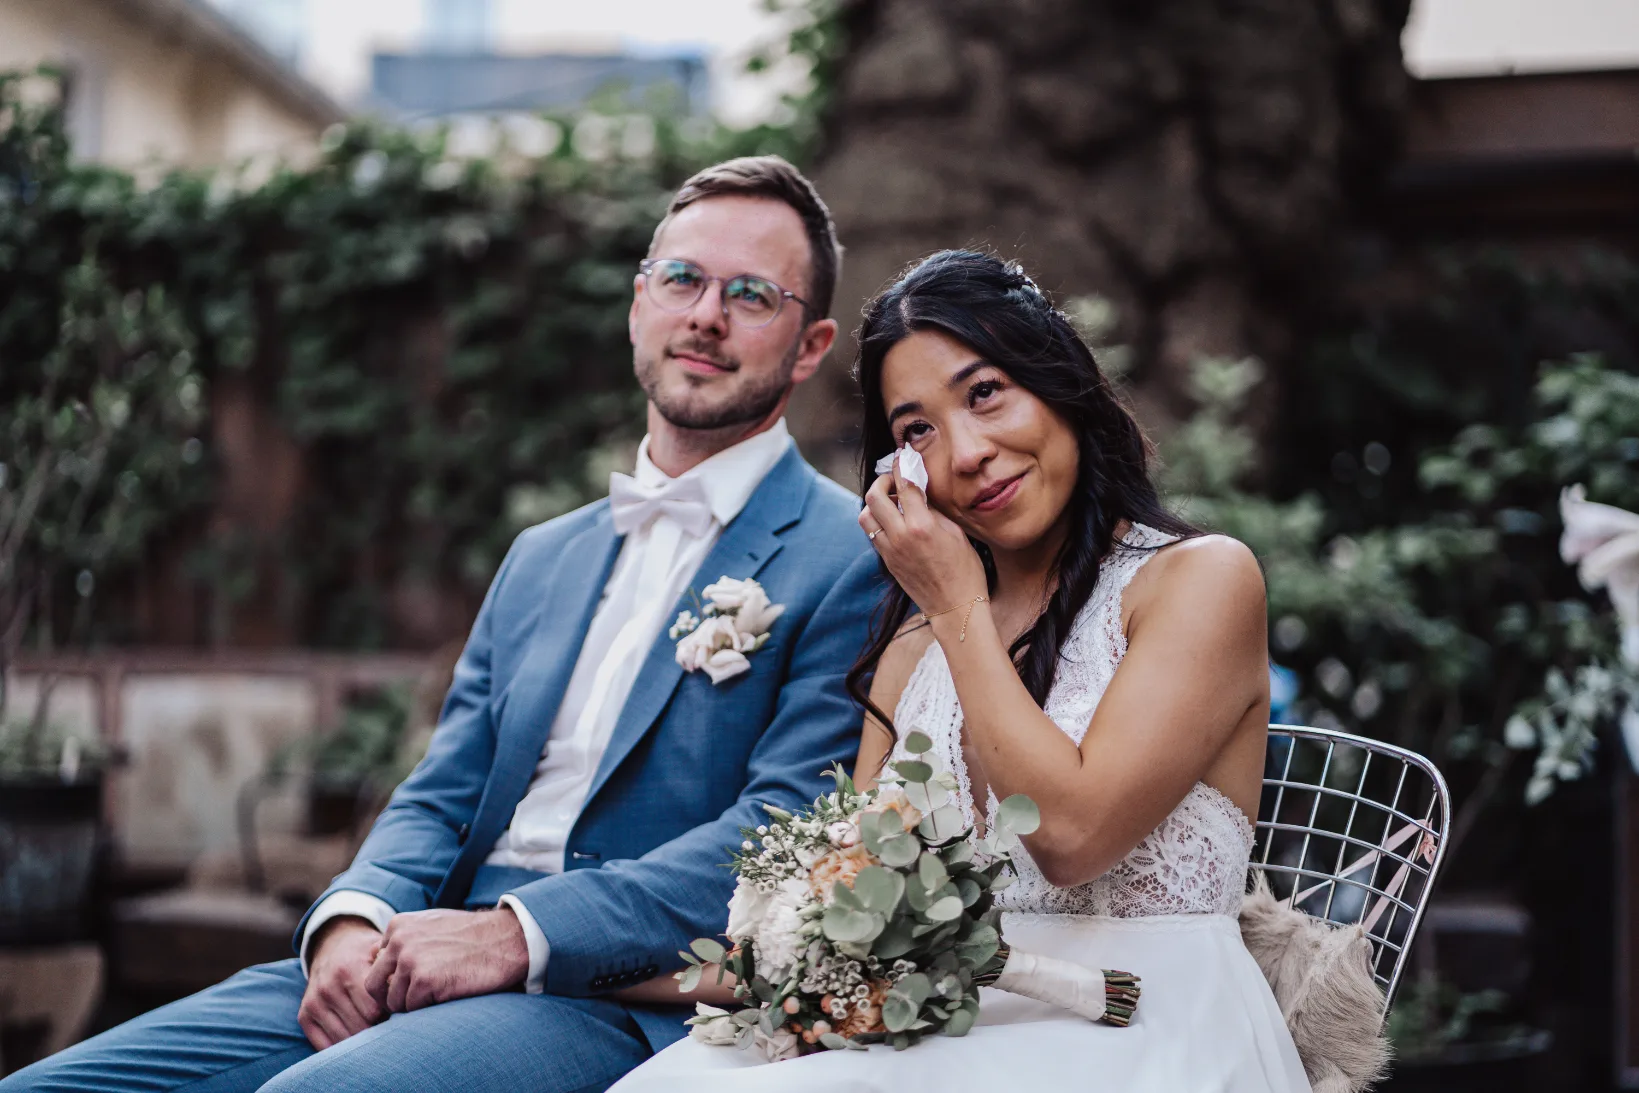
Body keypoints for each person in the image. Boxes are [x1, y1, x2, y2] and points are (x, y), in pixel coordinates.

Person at [3, 156, 881, 1093]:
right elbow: (444, 786)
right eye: (682, 279)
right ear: (639, 303)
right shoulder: (543, 556)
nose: (706, 314)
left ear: (809, 344)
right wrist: (354, 916)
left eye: (751, 294)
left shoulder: (846, 556)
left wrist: (514, 935)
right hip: (413, 949)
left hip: (617, 994)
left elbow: (777, 833)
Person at [609, 250, 1312, 1092]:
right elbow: (848, 914)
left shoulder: (1198, 580)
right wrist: (561, 958)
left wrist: (954, 608)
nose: (968, 452)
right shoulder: (907, 654)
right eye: (917, 431)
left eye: (985, 393)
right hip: (957, 1026)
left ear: (1058, 383)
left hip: (1152, 1027)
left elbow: (1072, 838)